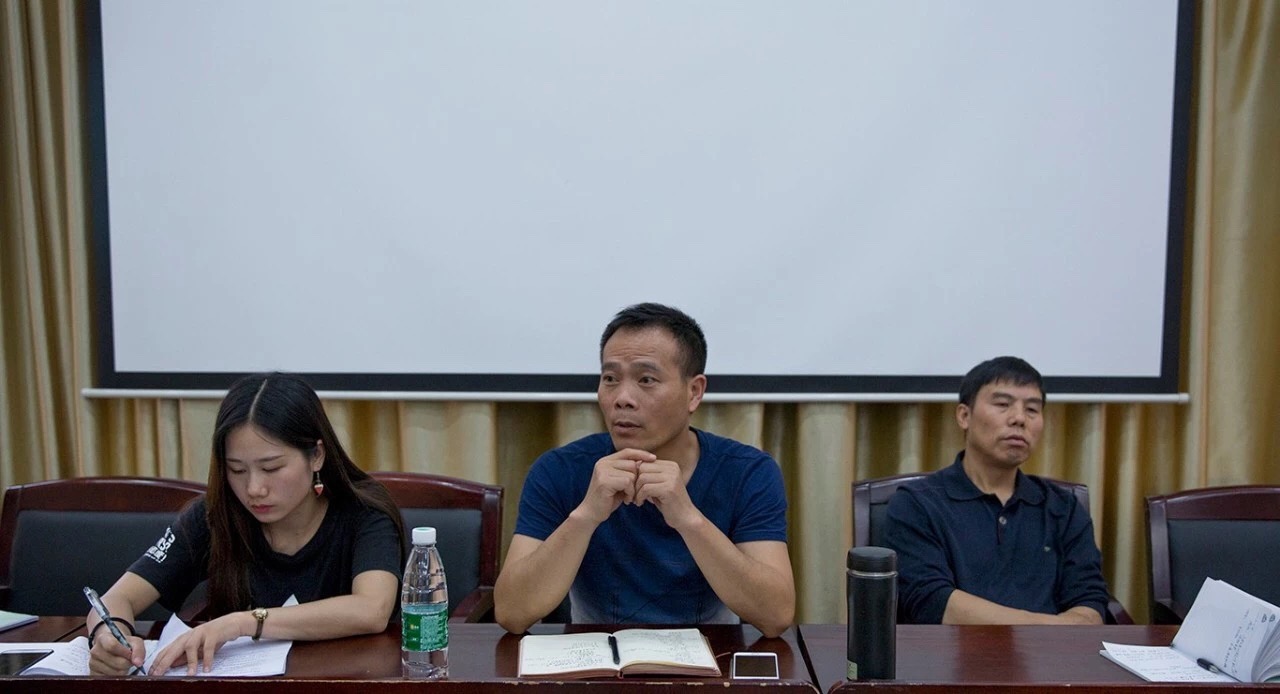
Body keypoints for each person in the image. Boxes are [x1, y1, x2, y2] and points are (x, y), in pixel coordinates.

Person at [494, 303, 795, 636]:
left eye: (646, 379)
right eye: (610, 379)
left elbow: (775, 615)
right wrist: (585, 516)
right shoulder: (559, 470)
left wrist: (689, 519)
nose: (622, 398)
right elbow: (512, 612)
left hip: (711, 659)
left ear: (694, 392)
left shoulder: (748, 472)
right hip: (595, 658)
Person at [87, 373, 405, 676]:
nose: (254, 489)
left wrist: (244, 622)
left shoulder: (364, 514)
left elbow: (371, 609)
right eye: (237, 470)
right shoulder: (214, 516)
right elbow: (117, 599)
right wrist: (108, 637)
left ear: (316, 456)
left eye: (271, 468)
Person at [883, 356, 1110, 625]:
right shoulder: (917, 504)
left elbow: (1090, 606)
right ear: (964, 416)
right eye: (1003, 404)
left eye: (1032, 409)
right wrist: (1047, 628)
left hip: (1051, 651)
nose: (1019, 419)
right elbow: (932, 603)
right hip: (952, 651)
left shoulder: (1064, 507)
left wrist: (1048, 635)